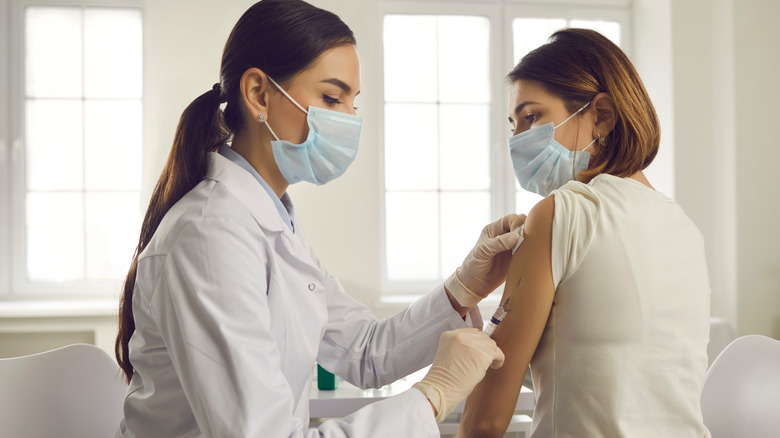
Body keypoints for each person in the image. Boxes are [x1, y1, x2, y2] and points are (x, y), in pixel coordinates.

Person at [113, 1, 523, 437]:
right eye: (331, 97)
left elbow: (365, 351)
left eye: (352, 101)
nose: (348, 119)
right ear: (258, 94)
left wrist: (464, 287)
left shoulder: (272, 221)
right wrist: (432, 394)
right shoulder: (211, 234)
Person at [458, 28, 711, 438]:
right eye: (513, 124)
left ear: (602, 115)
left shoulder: (564, 213)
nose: (518, 140)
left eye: (533, 116)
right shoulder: (684, 225)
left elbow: (485, 420)